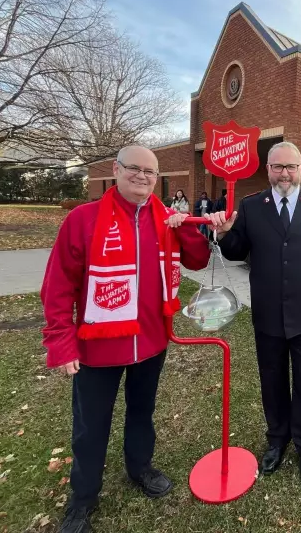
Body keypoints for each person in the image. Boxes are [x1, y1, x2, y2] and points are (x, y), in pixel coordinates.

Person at [40, 146, 211, 533]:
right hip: (97, 347)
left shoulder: (167, 219)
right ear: (116, 170)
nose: (142, 176)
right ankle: (82, 500)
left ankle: (140, 468)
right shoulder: (82, 219)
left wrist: (189, 226)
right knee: (90, 426)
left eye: (150, 172)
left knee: (141, 413)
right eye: (134, 168)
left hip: (151, 342)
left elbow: (198, 260)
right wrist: (61, 342)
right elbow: (58, 287)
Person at [209, 141, 301, 488]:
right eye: (278, 166)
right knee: (272, 380)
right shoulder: (253, 207)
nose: (285, 173)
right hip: (267, 313)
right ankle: (277, 440)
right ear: (267, 169)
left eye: (291, 167)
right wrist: (223, 235)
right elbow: (237, 251)